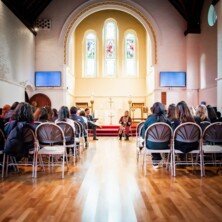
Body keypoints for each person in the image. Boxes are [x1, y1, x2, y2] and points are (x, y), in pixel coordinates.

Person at [141, 102, 171, 168]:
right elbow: (171, 136)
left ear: (153, 109)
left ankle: (156, 159)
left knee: (148, 142)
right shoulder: (167, 121)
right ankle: (165, 160)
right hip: (165, 145)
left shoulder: (149, 120)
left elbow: (143, 135)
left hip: (152, 145)